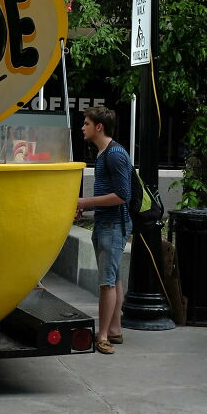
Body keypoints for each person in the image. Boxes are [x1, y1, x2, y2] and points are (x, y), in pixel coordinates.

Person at [75, 106, 131, 355]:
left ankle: (103, 335)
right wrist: (87, 208)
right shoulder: (102, 153)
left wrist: (86, 202)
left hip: (113, 225)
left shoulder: (115, 154)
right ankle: (115, 329)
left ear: (99, 127)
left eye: (86, 123)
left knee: (107, 283)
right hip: (105, 222)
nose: (82, 127)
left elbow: (122, 195)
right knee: (115, 279)